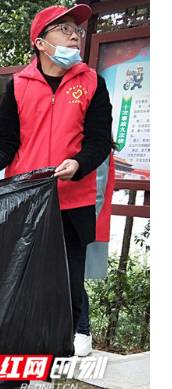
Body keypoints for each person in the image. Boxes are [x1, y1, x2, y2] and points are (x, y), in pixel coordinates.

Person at [0, 4, 113, 389]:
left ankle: (50, 370)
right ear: (41, 42)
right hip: (26, 204)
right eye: (64, 29)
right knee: (19, 289)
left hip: (72, 203)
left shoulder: (93, 83)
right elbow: (6, 142)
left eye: (77, 30)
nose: (74, 36)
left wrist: (78, 163)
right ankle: (16, 371)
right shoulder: (17, 85)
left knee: (63, 291)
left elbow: (99, 142)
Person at [74, 143, 116, 356]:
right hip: (66, 218)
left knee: (73, 276)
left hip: (83, 221)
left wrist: (85, 226)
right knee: (66, 276)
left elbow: (97, 191)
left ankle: (82, 332)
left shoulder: (96, 147)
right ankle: (76, 332)